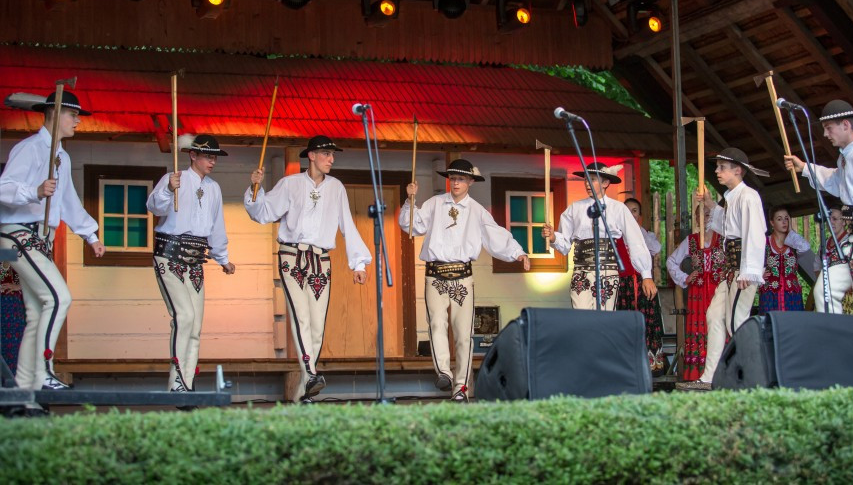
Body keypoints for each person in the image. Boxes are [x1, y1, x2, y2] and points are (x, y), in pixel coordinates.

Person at [246, 135, 371, 402]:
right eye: (326, 154)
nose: (331, 159)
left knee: (317, 326)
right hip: (292, 256)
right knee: (301, 317)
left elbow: (346, 224)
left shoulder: (336, 187)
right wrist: (254, 189)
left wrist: (357, 262)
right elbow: (263, 213)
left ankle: (305, 393)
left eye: (332, 155)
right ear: (311, 155)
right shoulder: (290, 184)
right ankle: (312, 373)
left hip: (321, 260)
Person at [784, 99, 853, 385]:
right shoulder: (845, 158)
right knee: (825, 289)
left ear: (846, 125)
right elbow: (835, 182)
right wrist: (804, 167)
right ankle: (843, 363)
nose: (825, 134)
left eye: (829, 128)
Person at [0, 90, 105, 390]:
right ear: (56, 115)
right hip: (18, 234)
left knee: (36, 313)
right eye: (74, 116)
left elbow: (68, 200)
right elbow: (3, 187)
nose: (78, 122)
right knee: (59, 297)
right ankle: (45, 370)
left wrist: (90, 234)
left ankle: (24, 391)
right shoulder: (30, 148)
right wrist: (33, 192)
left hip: (39, 238)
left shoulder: (62, 156)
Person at [400, 158, 529, 402]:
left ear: (470, 181)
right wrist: (410, 200)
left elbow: (496, 235)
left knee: (463, 332)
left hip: (462, 276)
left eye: (461, 178)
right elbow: (411, 226)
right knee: (436, 324)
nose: (456, 182)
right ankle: (444, 374)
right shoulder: (435, 203)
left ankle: (460, 386)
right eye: (453, 178)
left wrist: (517, 252)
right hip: (435, 274)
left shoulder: (477, 211)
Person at [147, 134, 235, 393]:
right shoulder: (174, 179)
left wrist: (223, 258)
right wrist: (168, 189)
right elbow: (155, 207)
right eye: (208, 156)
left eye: (214, 157)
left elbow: (216, 226)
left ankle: (187, 381)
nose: (212, 161)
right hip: (169, 254)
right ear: (193, 155)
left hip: (195, 260)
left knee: (195, 324)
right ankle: (177, 382)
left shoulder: (213, 188)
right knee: (183, 316)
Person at [678, 147, 768, 391]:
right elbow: (726, 228)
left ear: (737, 170)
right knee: (714, 317)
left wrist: (748, 271)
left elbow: (755, 234)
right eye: (717, 167)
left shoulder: (748, 196)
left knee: (736, 322)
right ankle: (710, 376)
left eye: (722, 167)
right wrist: (709, 204)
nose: (717, 171)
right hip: (729, 270)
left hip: (741, 269)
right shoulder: (731, 198)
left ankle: (749, 377)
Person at [542, 163, 655, 312]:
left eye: (593, 179)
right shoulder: (575, 208)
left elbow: (636, 242)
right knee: (581, 316)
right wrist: (553, 238)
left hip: (607, 271)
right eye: (586, 180)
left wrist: (646, 274)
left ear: (606, 182)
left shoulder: (618, 208)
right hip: (581, 271)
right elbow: (565, 245)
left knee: (604, 318)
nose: (588, 184)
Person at [666, 204, 725, 382]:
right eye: (702, 215)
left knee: (719, 327)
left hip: (719, 290)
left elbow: (737, 260)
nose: (706, 218)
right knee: (701, 329)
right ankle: (698, 374)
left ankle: (720, 373)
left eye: (709, 215)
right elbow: (671, 262)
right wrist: (685, 277)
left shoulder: (724, 239)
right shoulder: (691, 241)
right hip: (697, 294)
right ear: (697, 219)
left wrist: (728, 274)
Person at [622, 197, 664, 373]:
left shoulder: (644, 234)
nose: (631, 214)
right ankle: (625, 365)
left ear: (639, 215)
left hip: (643, 283)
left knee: (647, 321)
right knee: (624, 323)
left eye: (634, 211)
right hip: (623, 286)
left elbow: (656, 248)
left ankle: (650, 365)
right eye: (627, 210)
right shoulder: (617, 234)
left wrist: (637, 232)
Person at [759, 205, 810, 314]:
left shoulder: (794, 242)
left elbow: (805, 247)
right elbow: (753, 260)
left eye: (786, 218)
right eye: (779, 219)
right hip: (770, 295)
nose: (784, 222)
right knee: (771, 326)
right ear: (772, 223)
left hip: (791, 295)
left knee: (793, 327)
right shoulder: (765, 242)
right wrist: (759, 274)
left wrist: (791, 231)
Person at [812, 207, 853, 314]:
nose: (831, 222)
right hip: (827, 294)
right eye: (828, 219)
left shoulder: (850, 242)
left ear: (844, 221)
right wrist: (824, 284)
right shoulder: (824, 244)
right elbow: (817, 266)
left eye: (835, 219)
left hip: (847, 295)